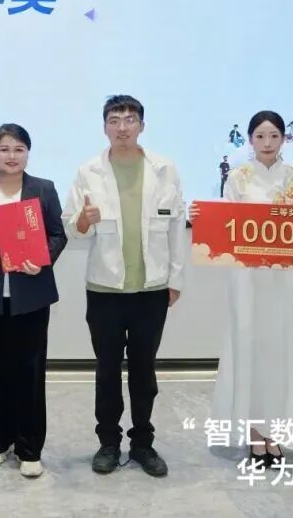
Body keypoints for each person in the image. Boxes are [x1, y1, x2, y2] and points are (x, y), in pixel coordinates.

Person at [63, 95, 186, 477]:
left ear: (141, 126)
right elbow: (73, 228)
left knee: (144, 372)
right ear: (105, 127)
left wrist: (176, 279)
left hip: (152, 288)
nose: (122, 127)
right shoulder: (89, 171)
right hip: (105, 289)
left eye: (130, 119)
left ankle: (143, 444)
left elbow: (177, 228)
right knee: (107, 371)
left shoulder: (164, 169)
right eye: (114, 120)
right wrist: (84, 220)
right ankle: (108, 442)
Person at [190, 110, 293, 467]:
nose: (267, 143)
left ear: (284, 139)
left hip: (284, 277)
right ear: (250, 139)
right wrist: (200, 218)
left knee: (281, 350)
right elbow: (226, 223)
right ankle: (255, 433)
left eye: (274, 136)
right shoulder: (239, 177)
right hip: (247, 277)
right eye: (260, 136)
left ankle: (275, 433)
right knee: (249, 348)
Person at [0, 123, 67, 478]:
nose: (11, 156)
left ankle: (29, 448)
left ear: (28, 153)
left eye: (19, 149)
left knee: (30, 373)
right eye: (4, 149)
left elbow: (58, 235)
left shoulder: (43, 189)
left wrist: (43, 258)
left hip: (30, 295)